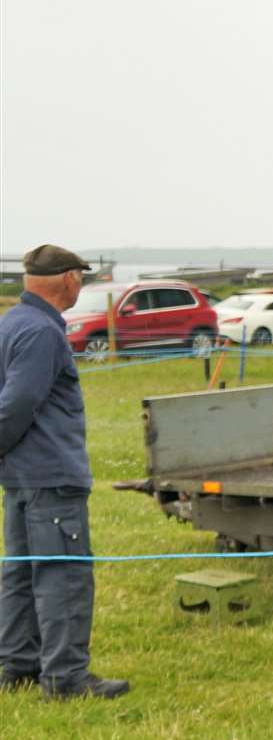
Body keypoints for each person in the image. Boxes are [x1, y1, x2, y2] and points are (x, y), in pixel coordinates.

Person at [0, 245, 130, 700]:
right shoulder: (42, 332)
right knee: (63, 574)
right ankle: (65, 678)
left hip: (21, 477)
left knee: (19, 573)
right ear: (69, 279)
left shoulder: (14, 322)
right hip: (50, 477)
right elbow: (18, 402)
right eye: (82, 277)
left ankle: (18, 664)